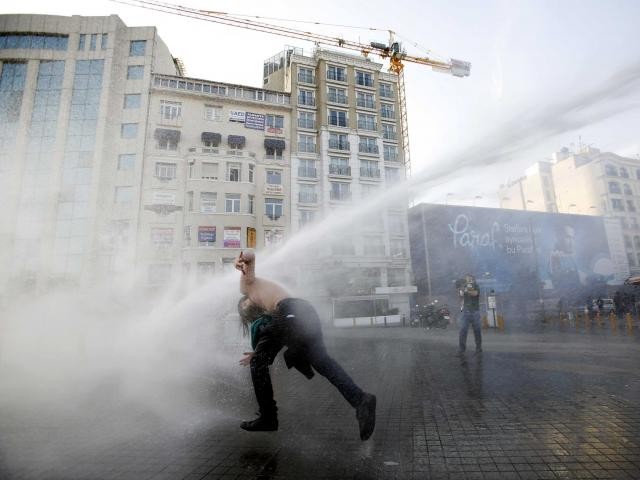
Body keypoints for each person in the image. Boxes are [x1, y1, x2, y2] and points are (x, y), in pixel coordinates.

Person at [234, 251, 376, 441]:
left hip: (290, 311)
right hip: (303, 311)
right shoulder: (270, 308)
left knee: (259, 363)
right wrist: (259, 353)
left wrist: (243, 260)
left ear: (245, 299)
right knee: (322, 362)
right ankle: (361, 400)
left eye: (243, 306)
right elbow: (282, 333)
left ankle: (268, 417)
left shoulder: (247, 287)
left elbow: (250, 257)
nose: (245, 307)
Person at [458, 274, 482, 354]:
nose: (468, 280)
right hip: (465, 311)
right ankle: (461, 349)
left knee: (477, 331)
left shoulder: (476, 286)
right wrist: (461, 290)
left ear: (473, 279)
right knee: (462, 330)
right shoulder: (464, 286)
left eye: (469, 279)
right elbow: (461, 295)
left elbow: (475, 293)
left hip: (475, 311)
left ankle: (478, 348)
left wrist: (467, 290)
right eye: (467, 279)